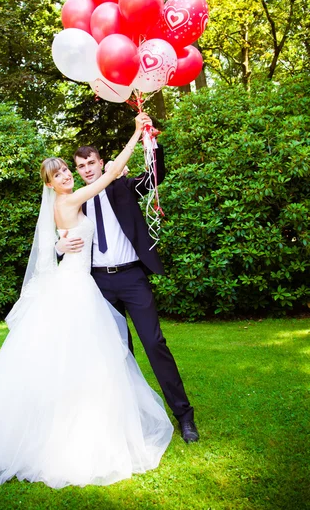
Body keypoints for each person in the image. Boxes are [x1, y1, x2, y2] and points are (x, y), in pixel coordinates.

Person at [0, 113, 173, 489]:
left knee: (81, 357)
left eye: (68, 173)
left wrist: (58, 243)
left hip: (82, 283)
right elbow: (110, 173)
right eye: (61, 176)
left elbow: (101, 200)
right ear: (51, 185)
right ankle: (82, 431)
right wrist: (136, 133)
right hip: (79, 288)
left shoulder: (70, 201)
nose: (69, 177)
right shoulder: (70, 202)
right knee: (93, 356)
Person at [56, 116, 199, 444]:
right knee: (116, 352)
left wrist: (151, 140)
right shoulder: (78, 200)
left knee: (154, 343)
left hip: (132, 278)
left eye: (91, 162)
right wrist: (59, 245)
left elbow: (155, 177)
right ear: (77, 172)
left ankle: (184, 415)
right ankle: (127, 419)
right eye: (80, 166)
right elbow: (64, 237)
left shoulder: (122, 186)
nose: (87, 169)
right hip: (99, 285)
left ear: (101, 163)